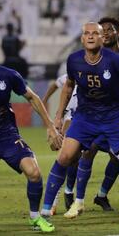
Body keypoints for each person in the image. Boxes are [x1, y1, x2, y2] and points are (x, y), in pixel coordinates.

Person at [40, 22, 119, 232]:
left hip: (115, 117)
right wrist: (59, 116)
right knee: (64, 157)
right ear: (82, 39)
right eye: (86, 34)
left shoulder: (115, 61)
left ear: (101, 39)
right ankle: (43, 213)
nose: (90, 37)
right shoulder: (74, 60)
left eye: (95, 34)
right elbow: (69, 86)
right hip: (85, 117)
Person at [0, 35, 63, 236]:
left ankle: (35, 218)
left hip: (7, 134)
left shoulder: (9, 76)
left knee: (33, 172)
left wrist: (50, 125)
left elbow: (32, 98)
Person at [42, 73, 79, 214]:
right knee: (63, 154)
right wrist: (45, 99)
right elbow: (56, 85)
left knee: (76, 158)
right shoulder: (75, 69)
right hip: (71, 115)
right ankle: (54, 202)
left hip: (93, 117)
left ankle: (70, 192)